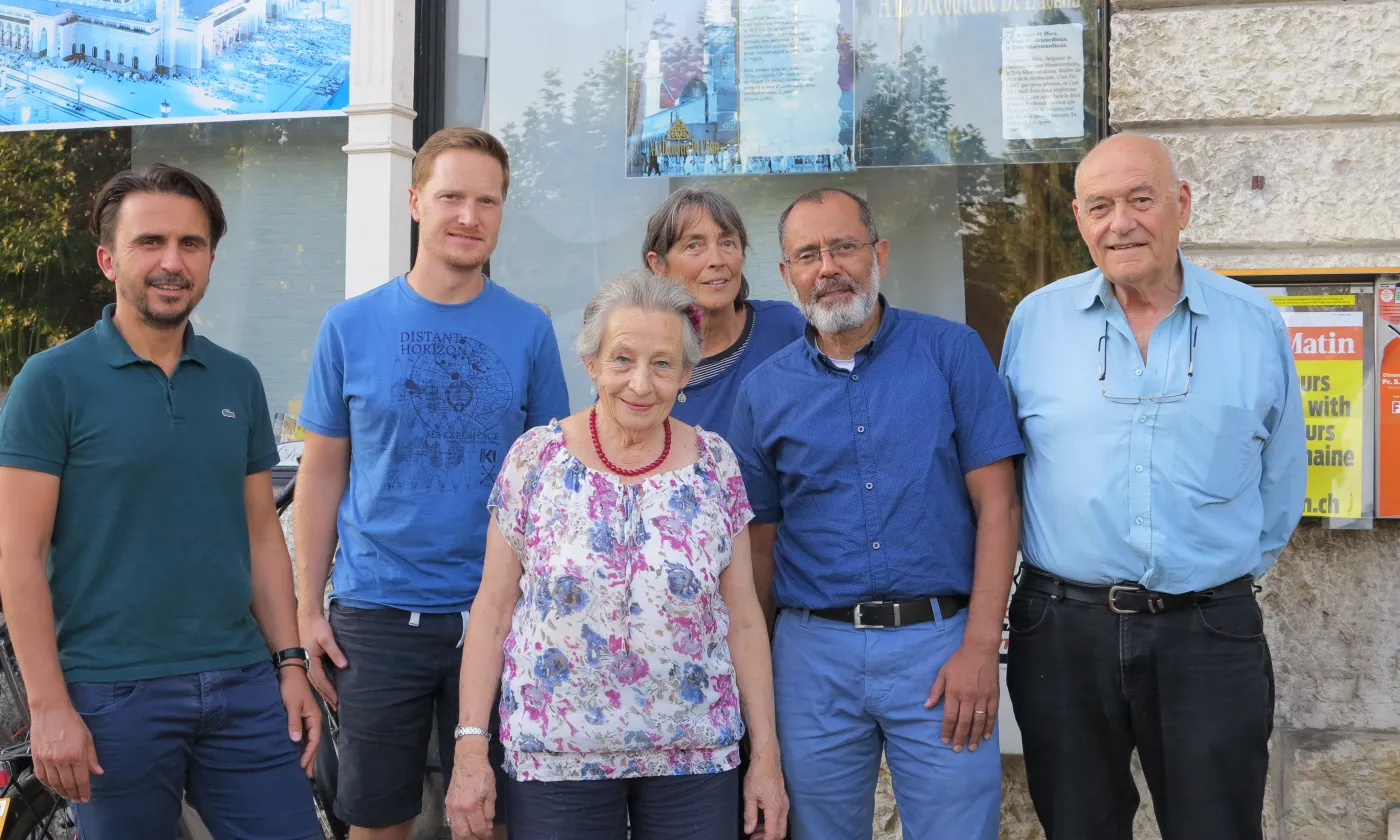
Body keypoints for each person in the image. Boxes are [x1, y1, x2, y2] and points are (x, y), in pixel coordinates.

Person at [999, 134, 1307, 840]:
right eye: (1100, 206)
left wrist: (1208, 578)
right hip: (1063, 632)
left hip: (1207, 630)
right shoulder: (1035, 322)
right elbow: (1008, 475)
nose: (1121, 223)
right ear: (1079, 218)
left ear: (1182, 204)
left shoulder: (1254, 323)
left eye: (1141, 200)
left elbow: (1282, 482)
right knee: (1078, 826)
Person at [0, 164, 322, 838]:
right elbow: (17, 554)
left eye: (192, 244)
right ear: (108, 258)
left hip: (241, 683)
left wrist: (290, 664)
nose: (172, 263)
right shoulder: (51, 383)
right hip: (110, 696)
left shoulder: (237, 378)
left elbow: (263, 534)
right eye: (150, 243)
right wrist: (48, 705)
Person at [443, 271, 788, 840]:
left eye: (662, 364)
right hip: (557, 757)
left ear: (685, 374)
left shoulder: (716, 465)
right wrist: (471, 749)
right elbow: (493, 613)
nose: (641, 383)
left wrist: (766, 759)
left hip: (694, 758)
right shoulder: (535, 460)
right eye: (622, 359)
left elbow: (746, 622)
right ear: (591, 363)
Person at [294, 127, 570, 839]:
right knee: (377, 822)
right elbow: (322, 472)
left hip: (502, 613)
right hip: (376, 616)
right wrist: (306, 608)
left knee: (494, 821)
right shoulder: (349, 326)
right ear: (416, 201)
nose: (469, 217)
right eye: (452, 197)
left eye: (488, 201)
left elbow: (550, 480)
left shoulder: (529, 329)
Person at [729, 188, 1023, 840]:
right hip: (812, 657)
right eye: (808, 254)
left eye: (844, 247)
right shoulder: (765, 391)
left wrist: (981, 646)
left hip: (941, 646)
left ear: (878, 254)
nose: (828, 267)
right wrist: (760, 679)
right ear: (786, 275)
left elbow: (999, 507)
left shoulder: (951, 353)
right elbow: (759, 550)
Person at [642, 187, 805, 441]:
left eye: (727, 243)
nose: (716, 260)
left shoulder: (788, 330)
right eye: (694, 245)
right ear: (659, 265)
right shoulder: (638, 358)